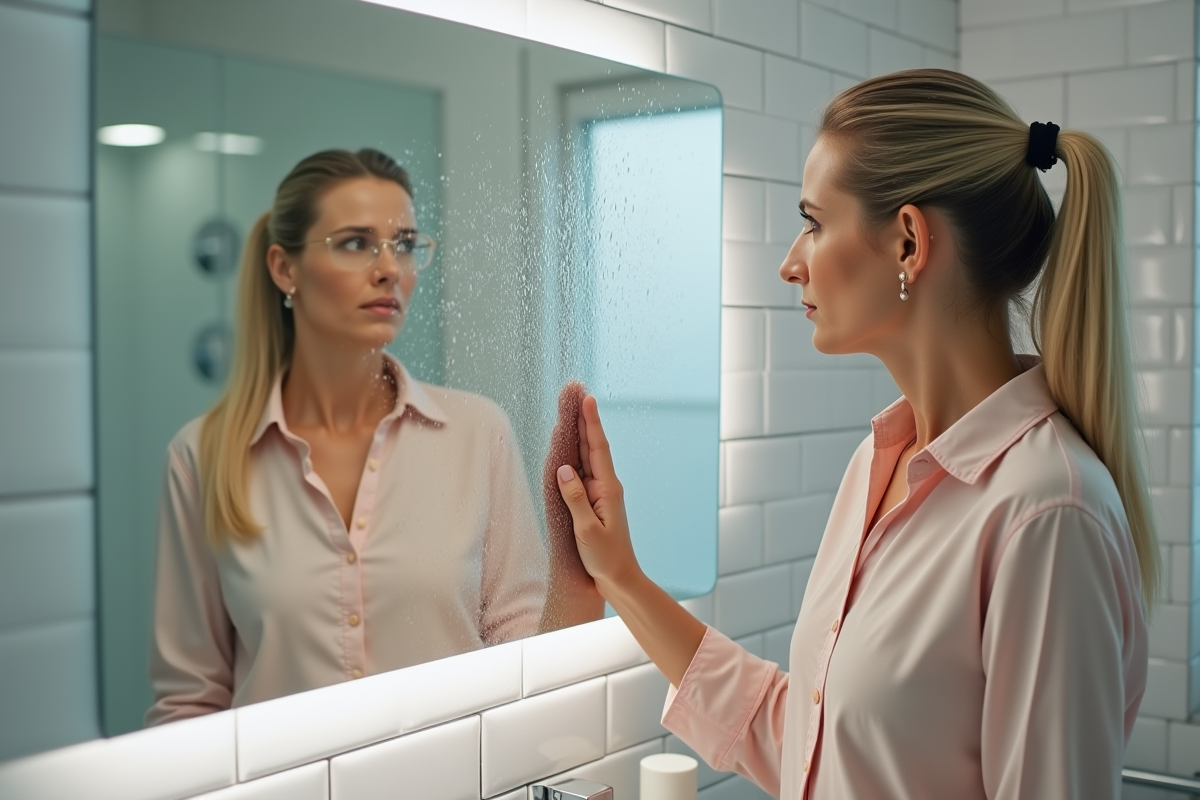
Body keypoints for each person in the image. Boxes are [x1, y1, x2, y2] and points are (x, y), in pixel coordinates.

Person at [551, 69, 1155, 799]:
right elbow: (809, 744)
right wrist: (622, 576)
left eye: (813, 221)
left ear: (907, 242)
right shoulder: (880, 462)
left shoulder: (1047, 514)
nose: (790, 262)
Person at [147, 148, 552, 725]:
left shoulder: (478, 433)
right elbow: (189, 702)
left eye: (405, 243)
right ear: (285, 269)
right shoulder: (202, 457)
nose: (390, 267)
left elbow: (525, 649)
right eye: (357, 243)